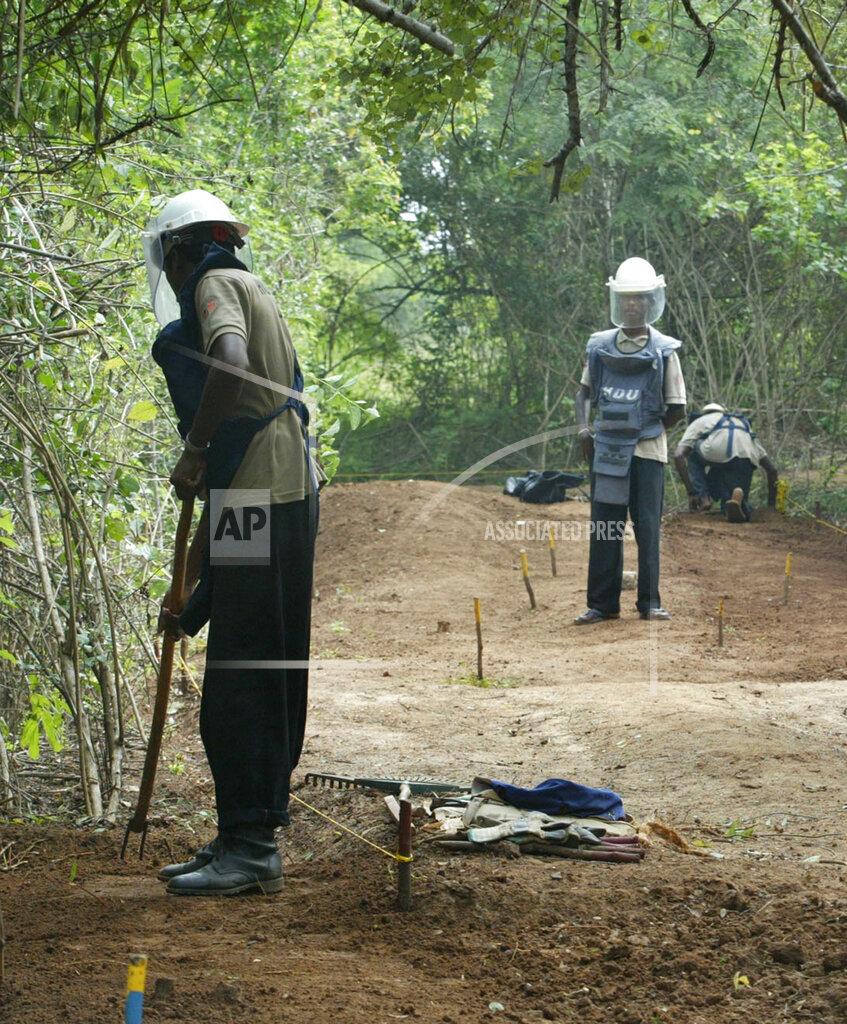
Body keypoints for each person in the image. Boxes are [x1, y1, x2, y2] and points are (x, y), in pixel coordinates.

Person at [141, 190, 319, 895]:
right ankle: (240, 835)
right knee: (244, 663)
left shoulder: (215, 284)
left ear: (179, 251)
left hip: (262, 493)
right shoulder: (246, 281)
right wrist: (185, 599)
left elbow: (232, 362)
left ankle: (251, 847)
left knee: (246, 674)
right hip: (262, 491)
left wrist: (195, 446)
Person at [574, 258, 686, 624]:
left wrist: (647, 432)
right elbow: (583, 393)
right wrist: (583, 429)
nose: (633, 304)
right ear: (617, 302)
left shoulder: (665, 349)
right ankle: (602, 605)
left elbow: (678, 407)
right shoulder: (599, 345)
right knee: (605, 525)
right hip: (606, 451)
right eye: (627, 298)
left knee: (647, 525)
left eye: (640, 298)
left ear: (652, 300)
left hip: (648, 452)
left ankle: (650, 603)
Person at [674, 403, 778, 522]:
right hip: (746, 459)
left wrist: (692, 492)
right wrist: (772, 506)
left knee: (691, 453)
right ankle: (738, 502)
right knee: (736, 504)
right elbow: (772, 470)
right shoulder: (742, 424)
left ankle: (703, 498)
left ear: (704, 413)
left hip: (717, 456)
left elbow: (678, 456)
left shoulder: (700, 420)